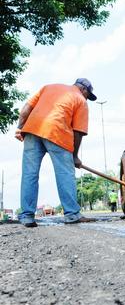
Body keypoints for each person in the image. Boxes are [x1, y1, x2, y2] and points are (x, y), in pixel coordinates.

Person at [15, 78, 98, 227]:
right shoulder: (80, 100)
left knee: (29, 173)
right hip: (57, 132)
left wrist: (20, 128)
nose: (87, 98)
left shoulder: (48, 87)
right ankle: (72, 214)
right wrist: (74, 156)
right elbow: (78, 132)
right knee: (65, 173)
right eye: (88, 95)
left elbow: (26, 109)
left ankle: (27, 216)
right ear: (84, 90)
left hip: (32, 129)